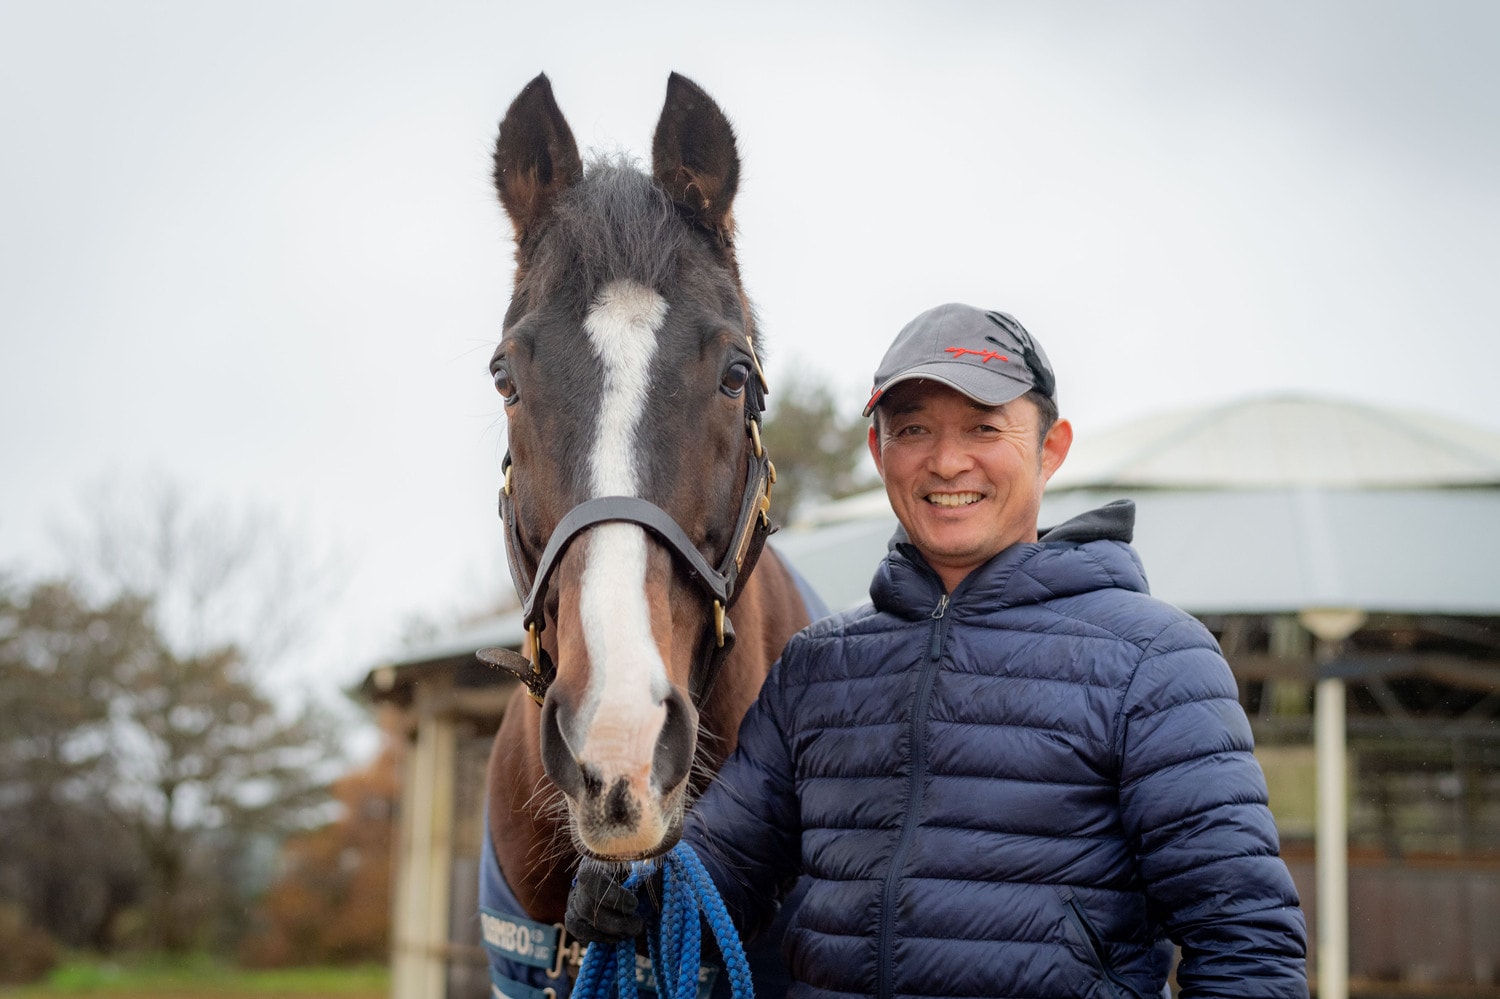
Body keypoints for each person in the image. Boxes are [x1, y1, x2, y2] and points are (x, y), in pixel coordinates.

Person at [568, 303, 1309, 997]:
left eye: (984, 428)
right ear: (878, 450)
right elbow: (723, 874)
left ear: (1050, 448)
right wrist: (640, 889)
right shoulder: (818, 669)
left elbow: (1246, 946)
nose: (948, 462)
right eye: (914, 429)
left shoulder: (1156, 662)